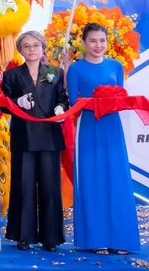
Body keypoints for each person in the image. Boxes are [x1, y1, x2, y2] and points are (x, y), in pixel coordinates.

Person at [67, 23, 140, 255]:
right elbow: (73, 105)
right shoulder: (75, 70)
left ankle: (121, 239)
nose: (98, 46)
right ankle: (95, 239)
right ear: (84, 42)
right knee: (92, 180)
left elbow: (119, 97)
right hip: (88, 128)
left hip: (112, 127)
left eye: (102, 41)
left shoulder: (116, 66)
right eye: (93, 41)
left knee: (116, 179)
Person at [1, 31, 67, 252]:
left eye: (36, 45)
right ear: (20, 50)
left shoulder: (56, 73)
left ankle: (51, 237)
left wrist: (61, 108)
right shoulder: (11, 75)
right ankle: (23, 235)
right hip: (24, 137)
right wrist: (17, 102)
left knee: (50, 188)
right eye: (26, 46)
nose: (31, 49)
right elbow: (3, 103)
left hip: (49, 136)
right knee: (23, 186)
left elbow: (62, 98)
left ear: (43, 48)